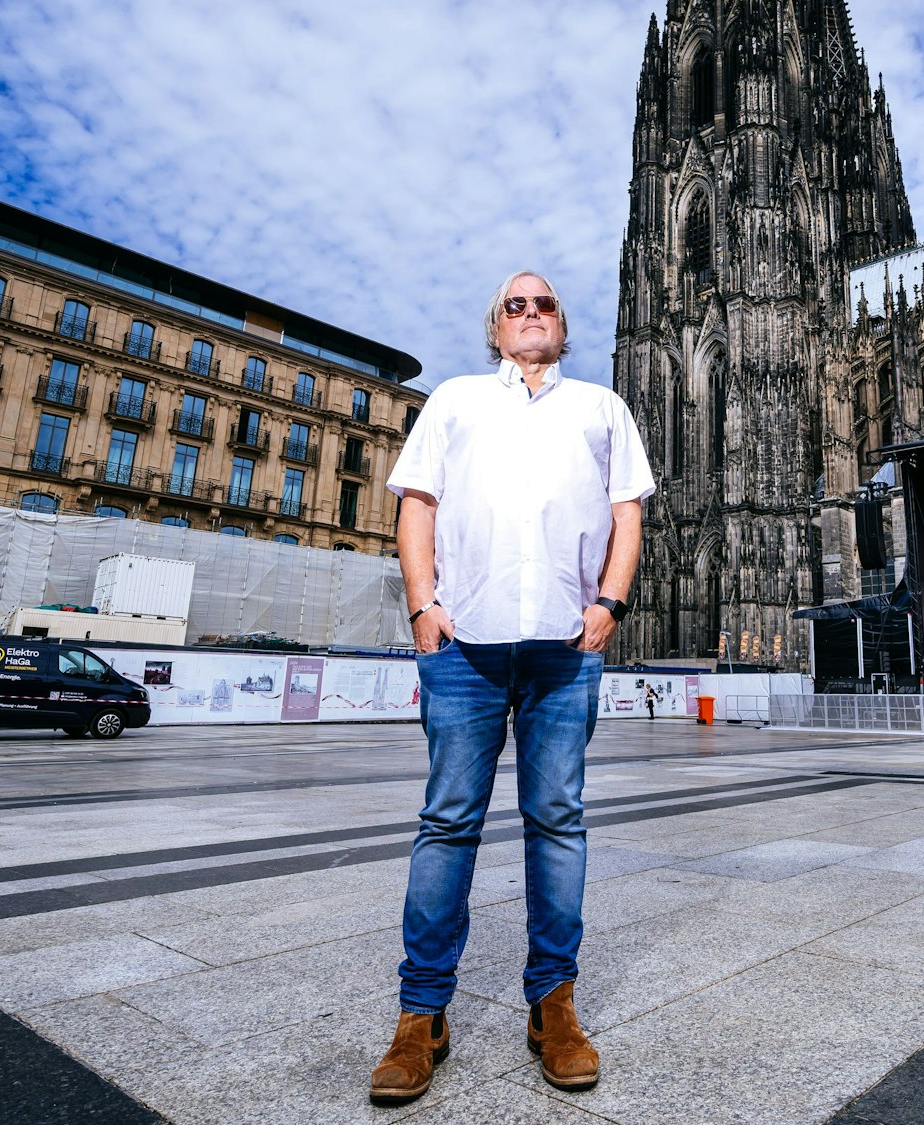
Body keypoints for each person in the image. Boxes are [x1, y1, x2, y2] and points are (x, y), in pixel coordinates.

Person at [370, 270, 653, 1103]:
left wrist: (609, 603)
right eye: (515, 305)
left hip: (566, 648)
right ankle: (421, 1015)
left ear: (563, 328)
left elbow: (628, 513)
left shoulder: (601, 407)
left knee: (557, 822)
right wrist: (423, 605)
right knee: (448, 823)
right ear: (496, 327)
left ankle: (553, 1007)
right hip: (466, 648)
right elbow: (416, 505)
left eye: (546, 304)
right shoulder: (455, 399)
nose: (531, 314)